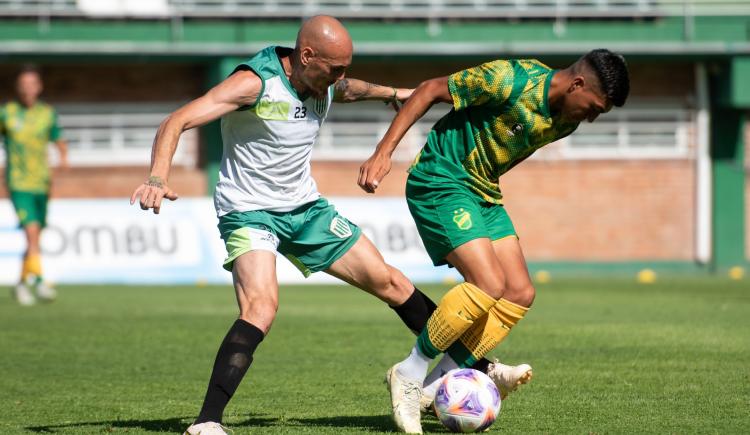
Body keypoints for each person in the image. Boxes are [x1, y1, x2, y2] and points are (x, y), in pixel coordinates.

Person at [129, 15, 447, 435]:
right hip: (249, 211)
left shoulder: (325, 79)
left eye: (345, 67)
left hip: (305, 209)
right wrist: (157, 176)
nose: (340, 76)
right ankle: (206, 423)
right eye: (334, 68)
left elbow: (350, 89)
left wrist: (394, 93)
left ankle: (479, 364)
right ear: (307, 55)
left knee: (390, 281)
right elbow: (176, 121)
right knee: (261, 307)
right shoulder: (253, 83)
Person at [358, 49, 630, 433]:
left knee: (519, 292)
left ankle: (436, 387)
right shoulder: (511, 79)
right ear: (578, 83)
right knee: (488, 284)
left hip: (483, 191)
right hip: (441, 179)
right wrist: (383, 154)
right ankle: (409, 372)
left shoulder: (566, 121)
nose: (593, 116)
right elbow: (431, 89)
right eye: (595, 107)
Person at [1, 65, 68, 306]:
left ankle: (20, 284)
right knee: (31, 232)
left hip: (42, 183)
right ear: (18, 87)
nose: (28, 88)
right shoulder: (7, 113)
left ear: (39, 87)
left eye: (32, 84)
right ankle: (39, 281)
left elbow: (58, 139)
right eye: (23, 84)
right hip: (18, 183)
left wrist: (63, 159)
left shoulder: (47, 114)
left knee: (34, 239)